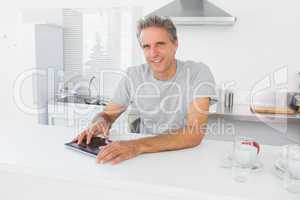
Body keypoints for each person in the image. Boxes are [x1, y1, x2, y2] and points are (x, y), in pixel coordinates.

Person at [74, 15, 217, 165]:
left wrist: (136, 146)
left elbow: (194, 134)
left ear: (175, 45)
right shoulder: (133, 75)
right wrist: (99, 123)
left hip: (184, 155)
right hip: (146, 157)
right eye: (146, 46)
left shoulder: (198, 72)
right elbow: (107, 115)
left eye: (160, 44)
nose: (153, 53)